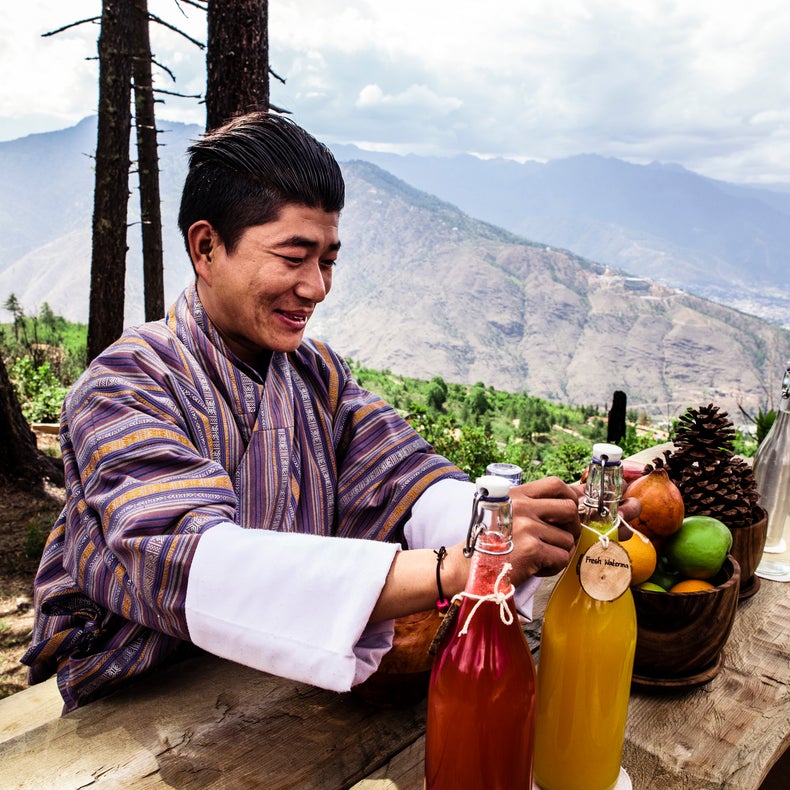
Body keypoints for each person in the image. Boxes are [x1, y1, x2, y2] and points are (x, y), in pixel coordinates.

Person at [22, 112, 636, 712]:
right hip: (140, 703)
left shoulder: (317, 375)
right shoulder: (125, 384)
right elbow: (192, 560)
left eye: (328, 260)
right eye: (294, 257)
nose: (317, 287)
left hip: (276, 688)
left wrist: (512, 520)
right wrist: (460, 566)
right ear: (206, 247)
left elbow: (408, 482)